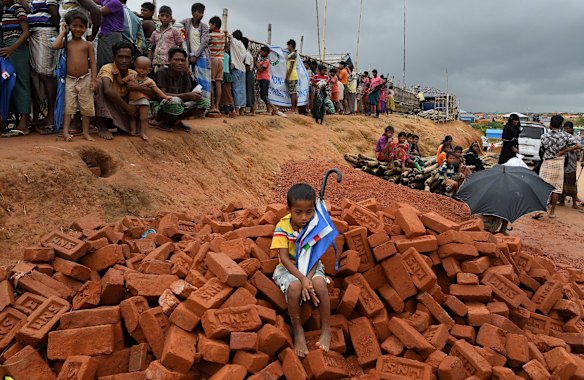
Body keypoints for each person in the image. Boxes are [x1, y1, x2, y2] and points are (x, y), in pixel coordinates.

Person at [271, 183, 331, 357]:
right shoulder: (282, 227)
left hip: (311, 265)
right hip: (287, 268)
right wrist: (302, 280)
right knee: (295, 287)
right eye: (298, 212)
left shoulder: (314, 226)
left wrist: (309, 278)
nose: (304, 217)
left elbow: (316, 256)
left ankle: (326, 330)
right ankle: (298, 330)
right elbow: (283, 258)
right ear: (289, 209)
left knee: (319, 284)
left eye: (309, 212)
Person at [51, 12, 96, 142]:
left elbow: (93, 63)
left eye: (81, 26)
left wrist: (93, 80)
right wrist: (63, 32)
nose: (78, 29)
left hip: (85, 78)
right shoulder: (67, 43)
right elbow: (54, 46)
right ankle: (65, 132)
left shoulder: (87, 45)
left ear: (86, 28)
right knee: (68, 107)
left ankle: (86, 132)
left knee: (86, 107)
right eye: (74, 25)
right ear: (69, 26)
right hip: (69, 79)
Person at [153, 47, 208, 129]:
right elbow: (162, 95)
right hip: (161, 106)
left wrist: (194, 96)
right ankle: (164, 121)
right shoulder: (162, 72)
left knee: (204, 102)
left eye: (182, 60)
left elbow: (187, 96)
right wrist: (187, 95)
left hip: (179, 104)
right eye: (176, 60)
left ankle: (176, 121)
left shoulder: (185, 74)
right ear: (169, 60)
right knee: (174, 102)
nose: (180, 63)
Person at [538, 115, 581, 218]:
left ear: (550, 124)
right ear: (561, 125)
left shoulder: (544, 136)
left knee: (542, 187)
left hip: (547, 162)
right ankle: (552, 212)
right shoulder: (566, 136)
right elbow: (579, 145)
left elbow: (542, 150)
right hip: (559, 163)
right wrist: (564, 151)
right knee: (556, 189)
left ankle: (540, 209)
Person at [93, 40, 137, 139]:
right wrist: (128, 108)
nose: (124, 60)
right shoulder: (108, 68)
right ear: (114, 58)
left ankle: (123, 125)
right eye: (120, 57)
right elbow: (107, 90)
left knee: (136, 88)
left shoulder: (133, 74)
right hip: (104, 108)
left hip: (119, 108)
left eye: (127, 57)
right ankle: (101, 126)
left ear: (132, 60)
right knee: (100, 84)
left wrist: (138, 87)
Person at [27, 0, 59, 134]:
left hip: (46, 33)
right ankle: (43, 116)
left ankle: (51, 116)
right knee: (37, 74)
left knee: (46, 74)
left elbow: (55, 15)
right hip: (35, 34)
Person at [1, 0, 31, 137]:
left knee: (21, 82)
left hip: (16, 47)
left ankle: (24, 122)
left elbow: (26, 32)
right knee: (9, 82)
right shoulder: (5, 10)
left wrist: (12, 48)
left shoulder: (17, 8)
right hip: (7, 47)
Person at [126, 56, 171, 140]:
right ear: (135, 67)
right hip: (132, 99)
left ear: (149, 70)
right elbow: (122, 81)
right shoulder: (131, 76)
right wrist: (116, 75)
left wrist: (165, 97)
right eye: (139, 68)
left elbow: (157, 90)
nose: (141, 71)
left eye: (144, 69)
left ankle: (143, 133)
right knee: (132, 116)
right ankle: (133, 131)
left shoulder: (149, 81)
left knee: (144, 117)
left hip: (143, 100)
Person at [182, 2, 210, 106]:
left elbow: (204, 43)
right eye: (199, 12)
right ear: (193, 13)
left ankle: (204, 105)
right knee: (191, 79)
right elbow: (177, 26)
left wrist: (196, 56)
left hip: (201, 57)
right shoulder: (186, 22)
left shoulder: (204, 26)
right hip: (189, 56)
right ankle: (193, 105)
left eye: (202, 13)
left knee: (203, 82)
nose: (201, 15)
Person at [149, 6, 182, 73]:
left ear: (171, 18)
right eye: (162, 15)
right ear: (159, 17)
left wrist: (181, 61)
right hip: (156, 63)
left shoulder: (174, 31)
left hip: (169, 64)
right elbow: (151, 48)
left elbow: (180, 46)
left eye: (167, 16)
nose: (164, 18)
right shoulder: (155, 33)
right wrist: (149, 62)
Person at [559, 122, 581, 209]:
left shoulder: (576, 138)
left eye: (568, 128)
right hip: (563, 164)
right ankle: (561, 200)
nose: (566, 130)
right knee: (562, 183)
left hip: (571, 164)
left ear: (572, 129)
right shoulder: (562, 138)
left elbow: (578, 150)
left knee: (572, 184)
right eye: (565, 128)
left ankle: (574, 203)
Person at [97, 0, 124, 70]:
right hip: (108, 35)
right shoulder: (106, 1)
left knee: (107, 62)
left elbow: (98, 12)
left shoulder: (115, 2)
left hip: (111, 35)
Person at [207, 16, 224, 114]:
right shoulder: (222, 35)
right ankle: (217, 106)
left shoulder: (211, 35)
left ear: (214, 25)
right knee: (218, 84)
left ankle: (212, 105)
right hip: (221, 60)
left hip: (213, 59)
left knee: (211, 83)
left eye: (210, 24)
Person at [228, 30, 246, 116]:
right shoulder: (242, 45)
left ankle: (237, 109)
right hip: (242, 69)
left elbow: (229, 35)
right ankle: (242, 109)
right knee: (242, 90)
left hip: (236, 68)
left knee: (236, 89)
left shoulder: (234, 42)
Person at [255, 45, 274, 116]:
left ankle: (269, 109)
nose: (260, 52)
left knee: (264, 95)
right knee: (263, 95)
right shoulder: (262, 60)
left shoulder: (266, 61)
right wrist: (256, 56)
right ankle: (270, 108)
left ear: (265, 52)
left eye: (261, 51)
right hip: (262, 79)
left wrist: (255, 62)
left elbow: (261, 69)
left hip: (264, 79)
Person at [219, 47, 235, 117]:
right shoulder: (227, 55)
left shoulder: (219, 55)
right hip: (228, 74)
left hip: (223, 74)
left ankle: (230, 111)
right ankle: (230, 110)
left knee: (225, 93)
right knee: (228, 92)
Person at [242, 37, 255, 115]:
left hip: (248, 74)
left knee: (249, 91)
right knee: (250, 91)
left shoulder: (246, 54)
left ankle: (252, 110)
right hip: (250, 74)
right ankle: (251, 110)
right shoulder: (248, 53)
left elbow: (247, 67)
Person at [285, 39, 298, 114]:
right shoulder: (293, 54)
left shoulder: (292, 54)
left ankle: (293, 109)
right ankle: (295, 109)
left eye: (288, 45)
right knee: (294, 93)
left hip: (292, 75)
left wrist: (287, 76)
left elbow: (291, 67)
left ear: (291, 45)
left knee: (292, 93)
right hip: (294, 75)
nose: (287, 47)